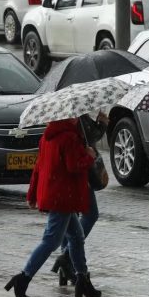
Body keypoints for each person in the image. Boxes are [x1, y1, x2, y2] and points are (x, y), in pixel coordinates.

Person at [5, 118, 101, 297]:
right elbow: (74, 166)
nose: (76, 118)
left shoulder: (47, 137)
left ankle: (83, 279)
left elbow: (39, 168)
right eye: (74, 116)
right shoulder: (69, 138)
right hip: (64, 197)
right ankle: (23, 277)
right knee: (51, 240)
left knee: (76, 236)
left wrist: (32, 194)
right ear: (68, 118)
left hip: (56, 194)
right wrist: (89, 156)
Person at [51, 112, 108, 285]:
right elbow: (87, 137)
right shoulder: (74, 113)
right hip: (79, 171)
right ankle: (67, 258)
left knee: (71, 220)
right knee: (90, 215)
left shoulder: (63, 112)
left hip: (68, 173)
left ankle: (69, 268)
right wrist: (102, 125)